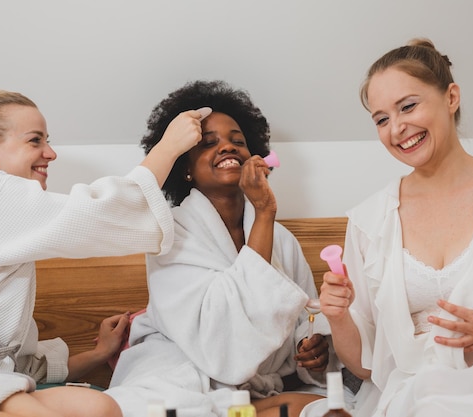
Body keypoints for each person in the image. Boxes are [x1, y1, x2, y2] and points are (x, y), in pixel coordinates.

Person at [315, 39, 473, 417]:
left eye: (408, 106)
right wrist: (337, 316)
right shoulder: (369, 222)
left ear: (451, 98)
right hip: (419, 391)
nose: (397, 128)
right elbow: (365, 367)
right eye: (381, 119)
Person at [0, 81, 210, 417]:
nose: (50, 153)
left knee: (100, 406)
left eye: (47, 141)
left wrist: (98, 354)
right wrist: (168, 148)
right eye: (35, 140)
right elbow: (94, 216)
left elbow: (15, 363)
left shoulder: (1, 228)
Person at [105, 80, 342, 417]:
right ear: (184, 167)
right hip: (181, 374)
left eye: (238, 141)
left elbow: (306, 317)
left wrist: (311, 349)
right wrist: (263, 212)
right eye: (208, 142)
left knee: (333, 407)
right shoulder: (170, 233)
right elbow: (222, 341)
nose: (228, 148)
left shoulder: (282, 238)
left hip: (255, 388)